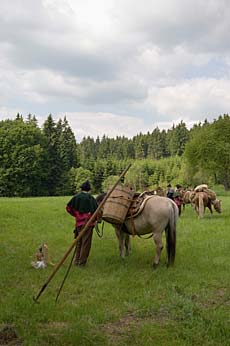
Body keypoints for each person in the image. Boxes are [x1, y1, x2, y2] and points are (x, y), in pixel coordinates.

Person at [66, 180, 98, 267]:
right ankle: (82, 263)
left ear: (82, 189)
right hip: (88, 224)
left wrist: (76, 215)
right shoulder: (91, 198)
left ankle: (76, 261)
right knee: (86, 243)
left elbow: (68, 208)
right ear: (89, 189)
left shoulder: (76, 197)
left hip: (79, 223)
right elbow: (97, 212)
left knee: (79, 242)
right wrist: (95, 220)